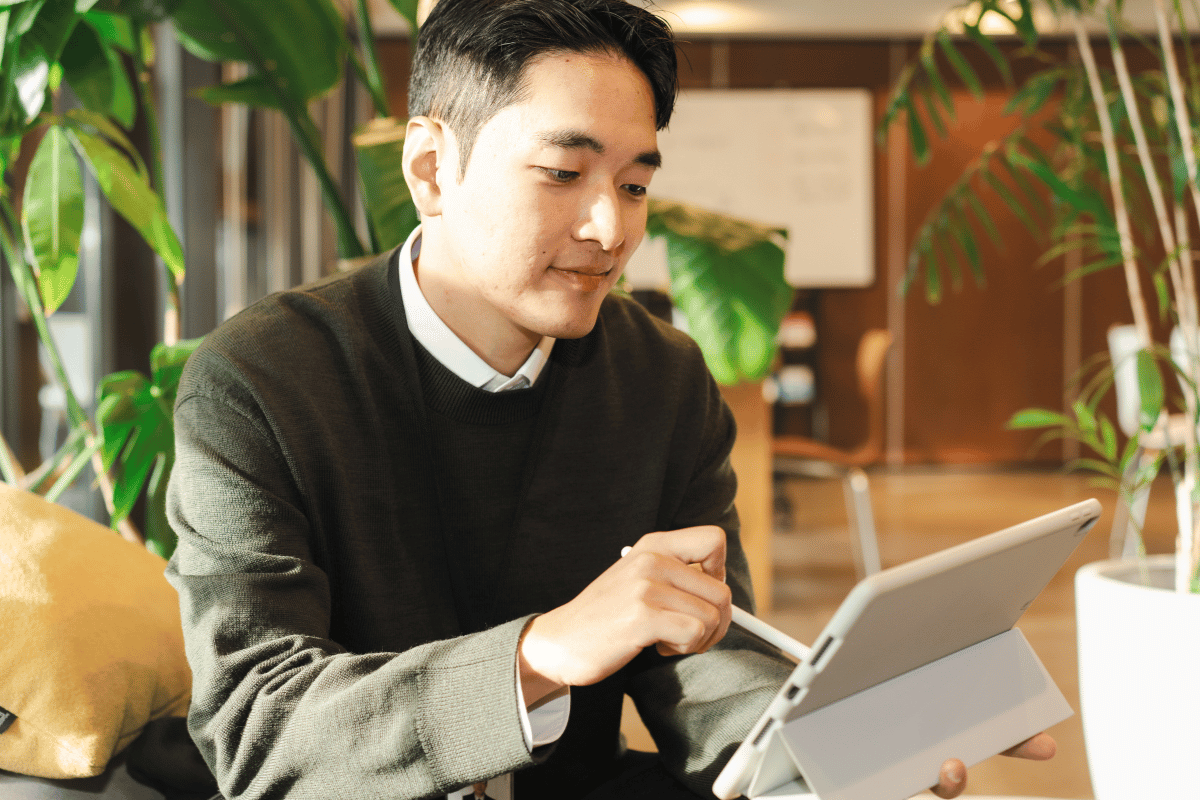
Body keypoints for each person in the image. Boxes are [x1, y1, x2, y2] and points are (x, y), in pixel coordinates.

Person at [165, 1, 1054, 798]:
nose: (612, 229)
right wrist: (539, 654)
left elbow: (701, 660)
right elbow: (258, 727)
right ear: (432, 167)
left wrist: (814, 762)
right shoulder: (262, 380)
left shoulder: (660, 380)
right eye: (563, 173)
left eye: (634, 184)